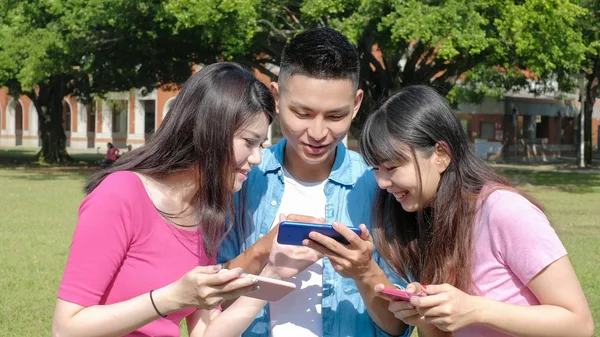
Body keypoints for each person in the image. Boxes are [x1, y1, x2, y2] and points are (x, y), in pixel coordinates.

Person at [52, 62, 292, 337]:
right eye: (249, 142)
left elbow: (206, 332)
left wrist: (273, 274)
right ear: (210, 132)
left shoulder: (207, 213)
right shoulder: (120, 194)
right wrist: (171, 298)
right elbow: (65, 328)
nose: (257, 158)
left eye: (261, 144)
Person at [218, 28, 411, 337]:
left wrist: (364, 271)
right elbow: (208, 301)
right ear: (277, 98)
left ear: (357, 104)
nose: (318, 133)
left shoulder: (381, 187)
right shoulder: (241, 179)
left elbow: (398, 325)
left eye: (335, 116)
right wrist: (260, 252)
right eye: (303, 113)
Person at [358, 85, 594, 337]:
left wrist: (476, 310)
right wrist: (426, 317)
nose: (382, 182)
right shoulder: (423, 219)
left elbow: (579, 324)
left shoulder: (504, 211)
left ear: (441, 154)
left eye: (392, 167)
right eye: (376, 168)